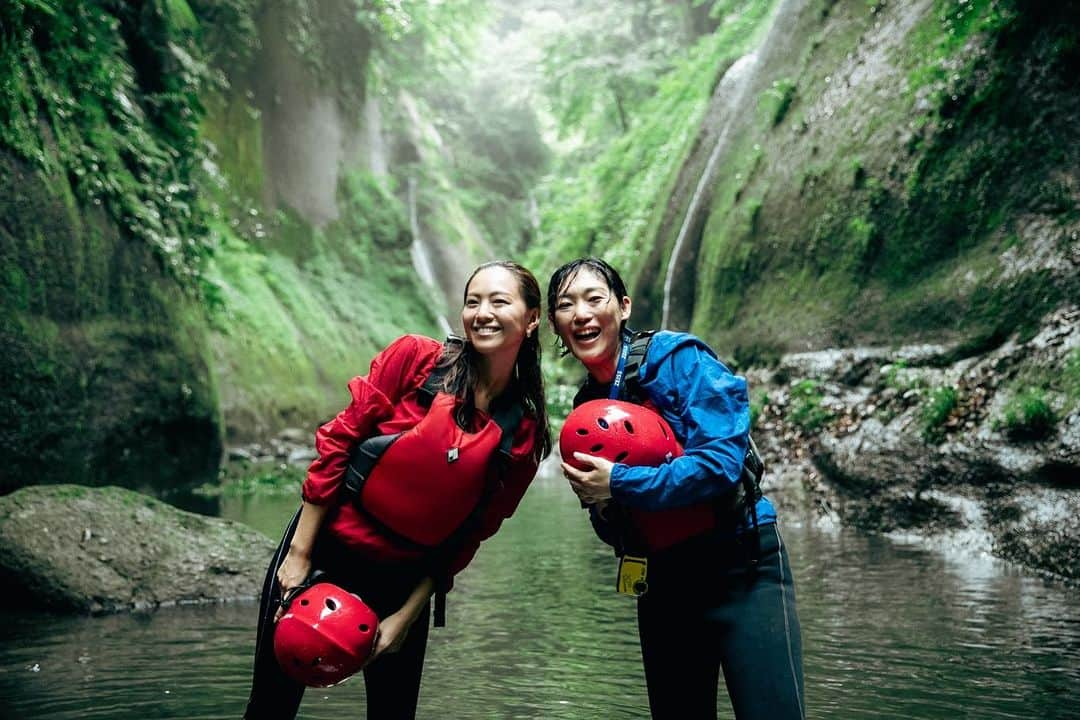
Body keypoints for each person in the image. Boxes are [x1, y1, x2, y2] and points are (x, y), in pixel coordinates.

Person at [245, 261, 551, 719]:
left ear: (531, 319)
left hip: (402, 582)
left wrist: (405, 618)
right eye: (473, 301)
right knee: (271, 707)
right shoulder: (416, 359)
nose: (482, 313)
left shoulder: (522, 434)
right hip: (324, 550)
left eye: (499, 301)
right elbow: (338, 443)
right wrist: (300, 555)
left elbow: (469, 536)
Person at [548, 257, 805, 720]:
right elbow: (612, 525)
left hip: (742, 566)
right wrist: (602, 506)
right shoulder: (587, 407)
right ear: (555, 325)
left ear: (623, 307)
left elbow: (720, 465)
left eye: (594, 298)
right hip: (664, 581)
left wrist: (618, 482)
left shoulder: (678, 358)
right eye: (566, 305)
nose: (581, 313)